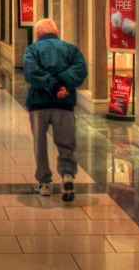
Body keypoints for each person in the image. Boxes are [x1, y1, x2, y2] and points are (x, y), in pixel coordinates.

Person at [23, 18, 87, 202]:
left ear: (37, 35)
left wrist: (51, 85)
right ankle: (67, 176)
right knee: (66, 142)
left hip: (39, 105)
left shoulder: (32, 50)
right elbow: (81, 69)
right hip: (64, 104)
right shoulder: (70, 49)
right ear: (56, 32)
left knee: (40, 144)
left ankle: (45, 183)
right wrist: (63, 85)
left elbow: (30, 72)